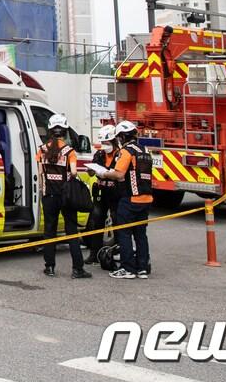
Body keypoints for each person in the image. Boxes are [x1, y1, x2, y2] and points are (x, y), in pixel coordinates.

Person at [37, 114, 91, 279]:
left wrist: (43, 189)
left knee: (49, 231)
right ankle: (77, 269)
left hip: (48, 196)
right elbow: (73, 172)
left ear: (50, 131)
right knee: (71, 231)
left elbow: (40, 173)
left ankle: (50, 267)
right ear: (65, 132)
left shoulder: (41, 149)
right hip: (66, 196)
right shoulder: (69, 152)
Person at [98, 120, 153, 279]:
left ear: (121, 137)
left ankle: (127, 268)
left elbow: (119, 174)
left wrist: (104, 174)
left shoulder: (127, 151)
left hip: (130, 199)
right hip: (146, 197)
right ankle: (142, 267)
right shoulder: (144, 150)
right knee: (141, 234)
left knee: (124, 233)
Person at [85, 124, 120, 265]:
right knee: (96, 220)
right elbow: (92, 170)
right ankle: (94, 253)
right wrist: (92, 171)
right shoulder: (99, 154)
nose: (105, 146)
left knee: (117, 221)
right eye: (103, 143)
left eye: (107, 143)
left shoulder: (120, 155)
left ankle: (117, 253)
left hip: (115, 192)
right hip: (101, 191)